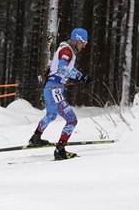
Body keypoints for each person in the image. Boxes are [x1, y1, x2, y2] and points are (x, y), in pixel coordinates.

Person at [28, 28, 92, 160]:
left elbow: (68, 69)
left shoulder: (68, 50)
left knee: (51, 115)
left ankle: (35, 138)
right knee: (72, 120)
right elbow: (62, 69)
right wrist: (80, 77)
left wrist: (82, 76)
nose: (85, 45)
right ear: (77, 39)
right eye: (83, 42)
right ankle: (60, 150)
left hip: (51, 88)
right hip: (54, 89)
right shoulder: (67, 50)